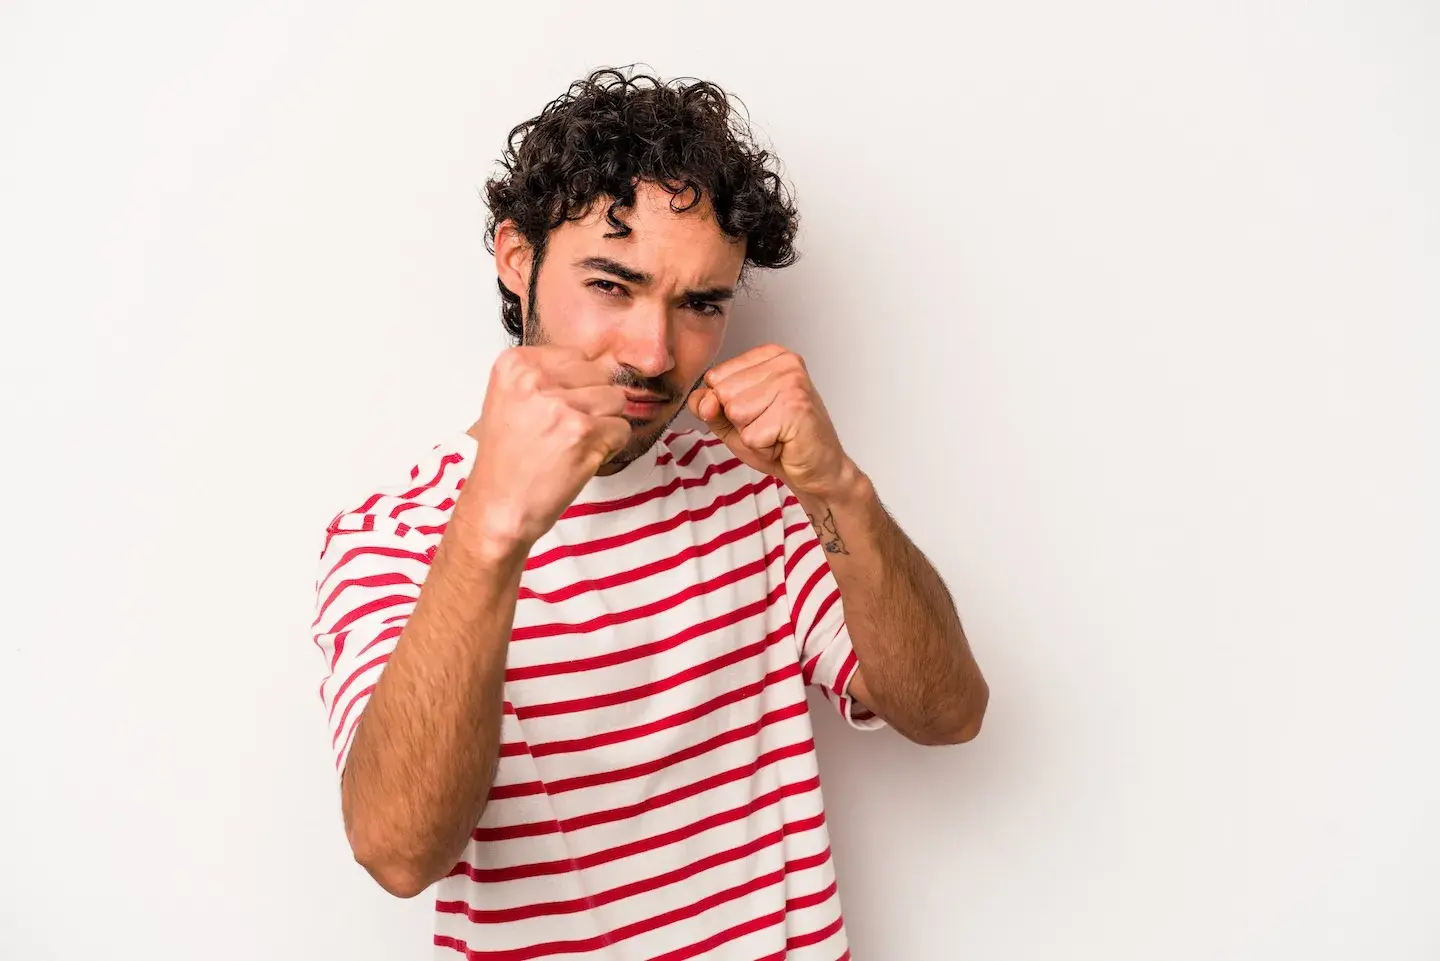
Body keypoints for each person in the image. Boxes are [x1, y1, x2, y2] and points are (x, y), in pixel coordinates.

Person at [309, 67, 988, 960]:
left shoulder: (755, 486)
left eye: (700, 303)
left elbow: (945, 712)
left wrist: (839, 488)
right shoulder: (393, 536)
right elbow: (399, 853)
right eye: (612, 284)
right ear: (518, 259)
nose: (655, 351)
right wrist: (490, 535)